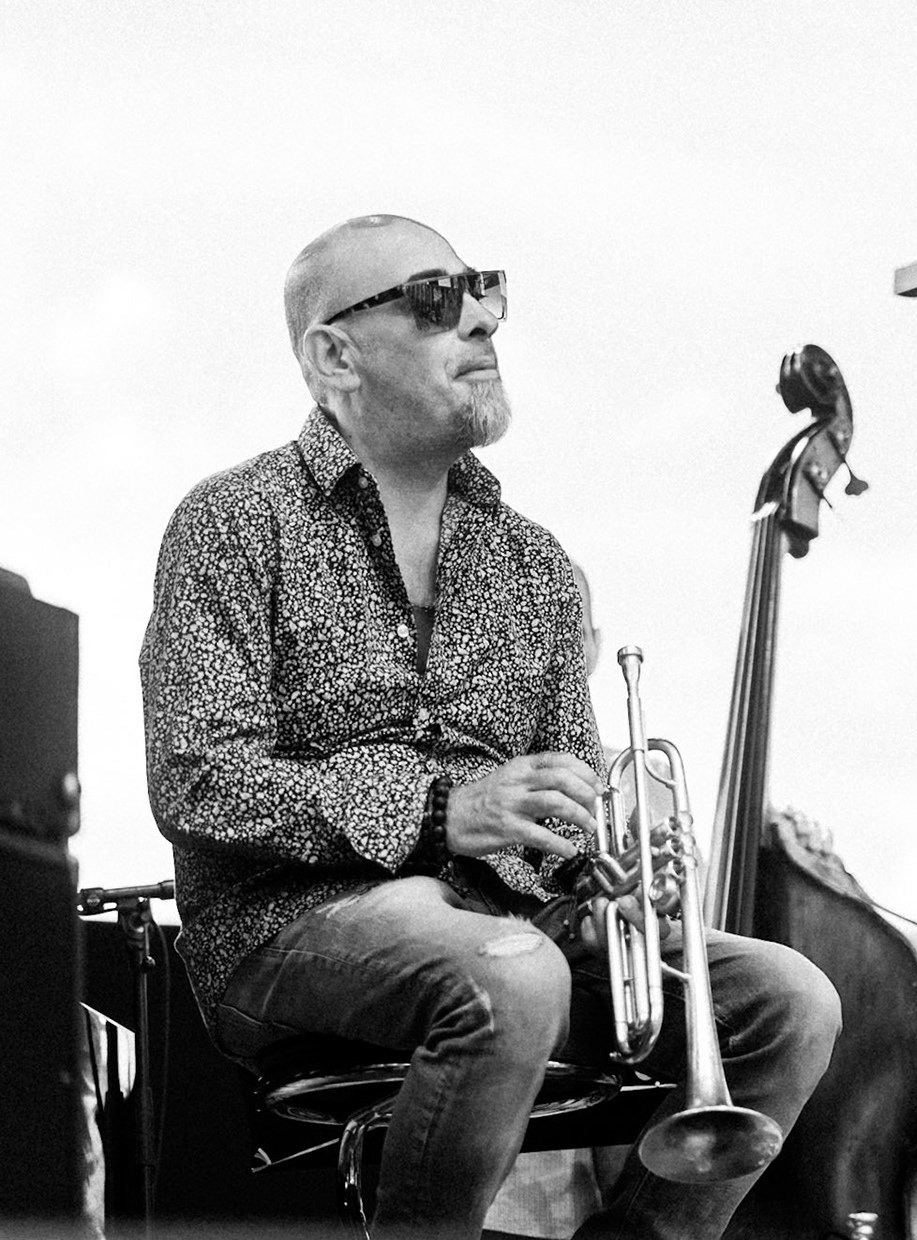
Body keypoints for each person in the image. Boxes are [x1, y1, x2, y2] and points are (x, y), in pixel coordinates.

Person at [140, 214, 841, 1240]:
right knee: (515, 977)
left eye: (485, 290)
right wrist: (437, 808)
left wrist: (609, 866)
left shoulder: (537, 566)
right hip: (288, 926)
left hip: (510, 927)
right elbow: (196, 777)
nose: (479, 319)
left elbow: (561, 813)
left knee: (793, 1000)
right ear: (335, 356)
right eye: (435, 300)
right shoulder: (231, 522)